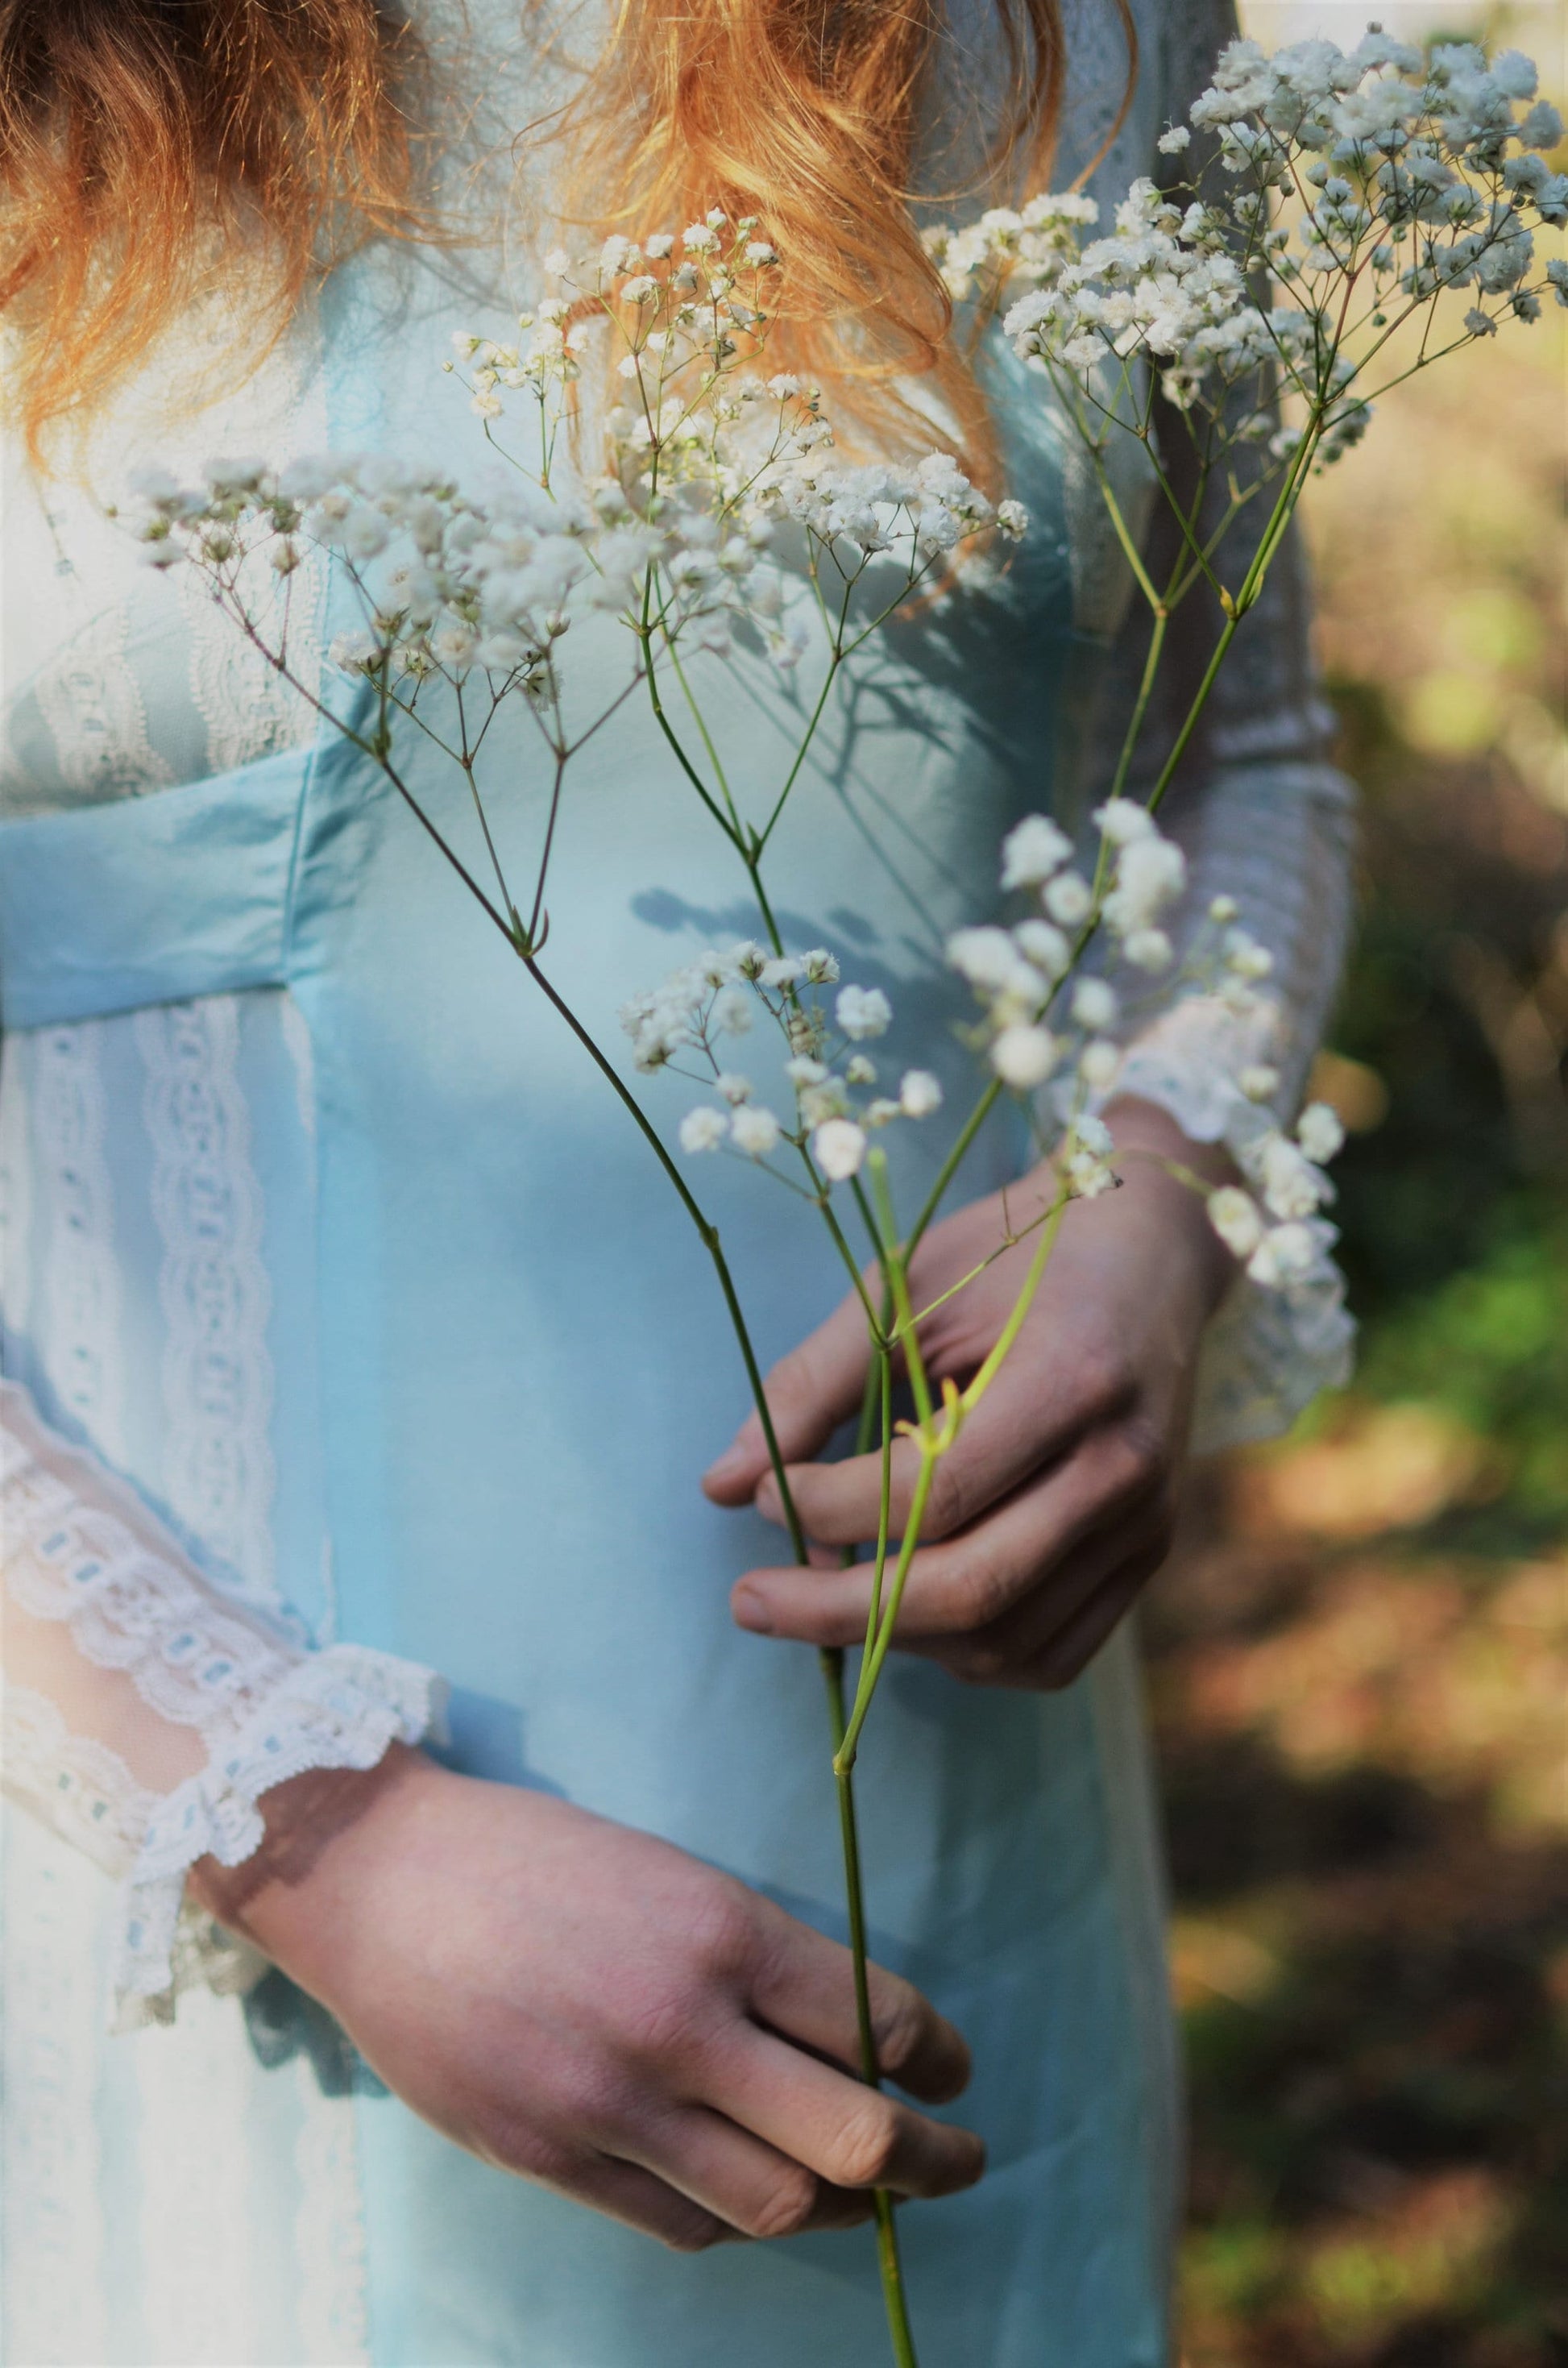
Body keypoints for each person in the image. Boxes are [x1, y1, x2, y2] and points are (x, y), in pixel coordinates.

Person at [0, 0, 1354, 2359]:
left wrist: (1161, 1183)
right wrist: (300, 1829)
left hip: (962, 1920)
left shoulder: (1090, 38)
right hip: (180, 1988)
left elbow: (1242, 749)